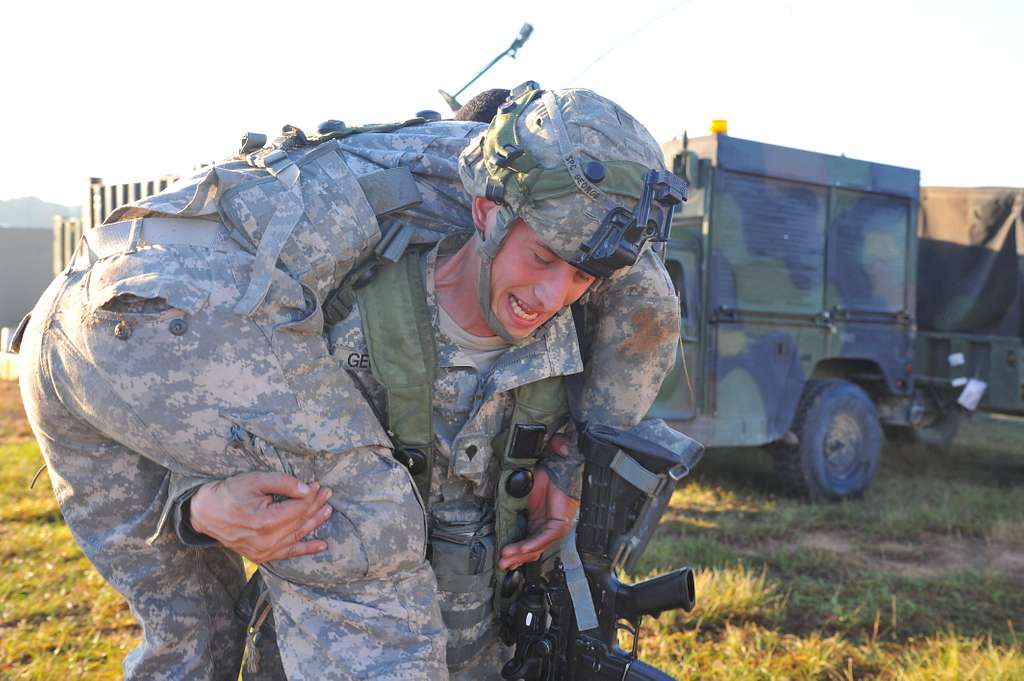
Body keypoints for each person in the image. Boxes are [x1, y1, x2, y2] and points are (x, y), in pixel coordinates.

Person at [17, 85, 682, 680]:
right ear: (484, 211)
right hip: (122, 320)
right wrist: (198, 502)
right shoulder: (347, 291)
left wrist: (571, 472)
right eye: (540, 257)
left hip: (110, 314)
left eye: (581, 275)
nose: (550, 294)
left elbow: (646, 309)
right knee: (369, 536)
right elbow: (213, 377)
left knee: (193, 641)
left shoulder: (598, 280)